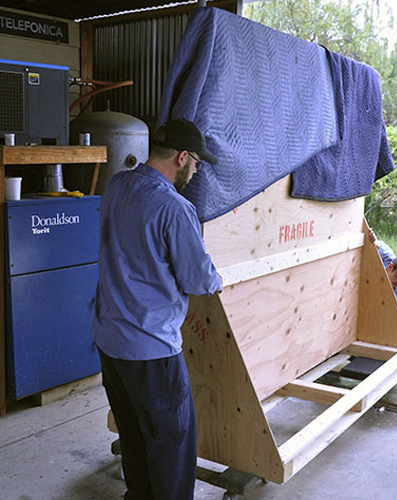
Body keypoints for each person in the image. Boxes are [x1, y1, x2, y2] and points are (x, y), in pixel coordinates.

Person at [92, 118, 223, 500]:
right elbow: (200, 280)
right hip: (151, 348)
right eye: (197, 164)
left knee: (132, 432)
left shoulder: (116, 184)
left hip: (109, 340)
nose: (196, 172)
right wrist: (216, 275)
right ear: (182, 158)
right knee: (172, 444)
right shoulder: (175, 208)